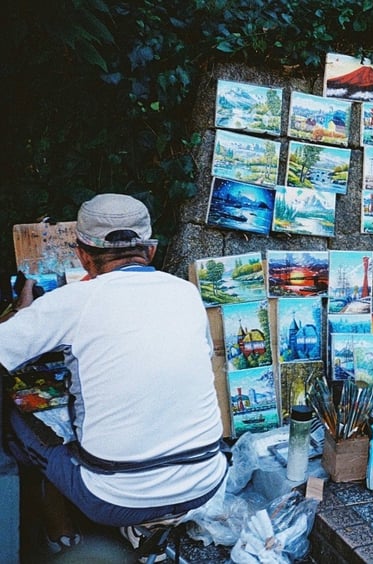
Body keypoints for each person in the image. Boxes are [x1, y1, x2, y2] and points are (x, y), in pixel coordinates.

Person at [0, 193, 227, 559]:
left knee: (19, 418)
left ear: (82, 256)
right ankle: (141, 527)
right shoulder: (187, 293)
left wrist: (20, 315)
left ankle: (62, 537)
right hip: (206, 481)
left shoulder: (75, 300)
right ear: (149, 251)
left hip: (111, 498)